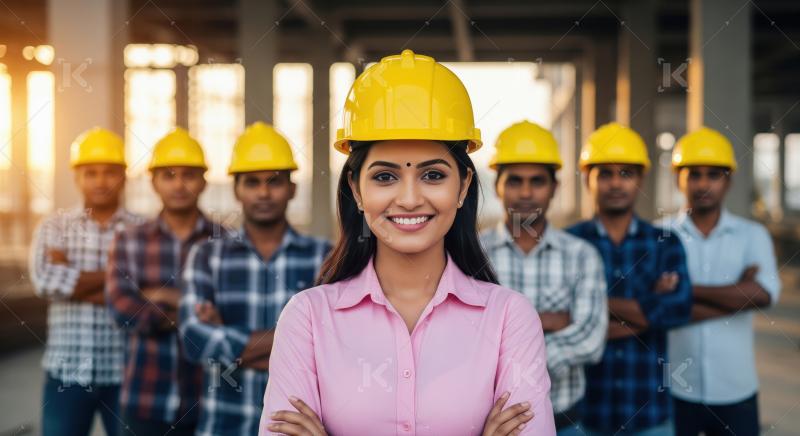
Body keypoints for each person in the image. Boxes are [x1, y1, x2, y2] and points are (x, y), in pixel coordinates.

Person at [260, 50, 556, 436]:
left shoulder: (509, 318)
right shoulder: (307, 319)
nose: (410, 199)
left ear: (464, 186)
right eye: (385, 177)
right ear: (356, 189)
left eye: (433, 175)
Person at [179, 122, 331, 436]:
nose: (263, 192)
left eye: (274, 181)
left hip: (294, 430)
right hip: (224, 424)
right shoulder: (206, 256)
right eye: (252, 182)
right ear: (236, 189)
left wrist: (229, 343)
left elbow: (334, 348)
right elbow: (194, 340)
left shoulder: (324, 257)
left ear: (292, 188)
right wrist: (295, 348)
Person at [481, 121, 607, 435]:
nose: (525, 192)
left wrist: (503, 344)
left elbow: (590, 340)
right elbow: (459, 338)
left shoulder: (581, 255)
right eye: (515, 181)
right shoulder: (471, 254)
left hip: (566, 421)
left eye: (537, 181)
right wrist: (547, 322)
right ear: (498, 185)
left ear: (554, 187)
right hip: (486, 426)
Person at [567, 122, 693, 435]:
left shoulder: (665, 242)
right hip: (583, 417)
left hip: (650, 414)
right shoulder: (569, 245)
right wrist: (649, 307)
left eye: (626, 173)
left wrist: (591, 309)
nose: (615, 183)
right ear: (587, 179)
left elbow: (678, 309)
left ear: (640, 179)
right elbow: (558, 319)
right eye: (605, 173)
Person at [660, 127, 781, 436]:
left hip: (736, 390)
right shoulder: (658, 234)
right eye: (694, 174)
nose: (703, 183)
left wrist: (683, 291)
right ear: (678, 179)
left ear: (728, 180)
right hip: (675, 389)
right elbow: (654, 308)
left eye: (713, 174)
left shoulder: (752, 235)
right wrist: (737, 295)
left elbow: (764, 295)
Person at [29, 127, 142, 436]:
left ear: (123, 176)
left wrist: (72, 276)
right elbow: (45, 281)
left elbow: (147, 293)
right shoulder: (54, 226)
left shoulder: (142, 229)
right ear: (77, 177)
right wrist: (120, 279)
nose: (101, 181)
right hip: (66, 373)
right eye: (91, 173)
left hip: (126, 373)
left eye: (110, 172)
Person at [106, 128, 214, 435]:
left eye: (189, 175)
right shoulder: (129, 241)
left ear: (204, 180)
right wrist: (194, 312)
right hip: (144, 400)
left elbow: (229, 315)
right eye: (169, 175)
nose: (179, 184)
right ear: (154, 181)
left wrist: (158, 296)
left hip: (207, 402)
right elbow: (122, 309)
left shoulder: (226, 242)